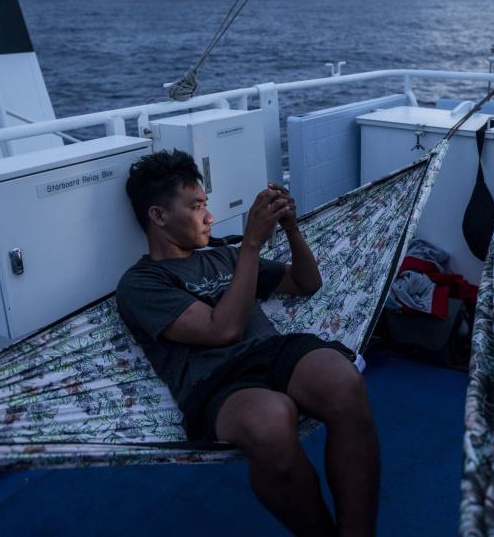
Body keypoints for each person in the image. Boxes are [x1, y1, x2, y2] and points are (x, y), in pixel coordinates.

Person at [116, 149, 379, 536]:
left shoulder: (223, 255)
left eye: (205, 204)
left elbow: (307, 283)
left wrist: (290, 228)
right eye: (196, 207)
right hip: (220, 382)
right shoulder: (141, 283)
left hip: (274, 352)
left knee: (345, 383)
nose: (209, 216)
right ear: (158, 216)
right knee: (269, 426)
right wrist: (252, 246)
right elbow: (221, 331)